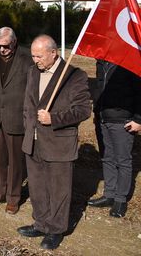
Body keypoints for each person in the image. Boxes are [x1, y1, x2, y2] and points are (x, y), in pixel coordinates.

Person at [17, 35, 91, 251]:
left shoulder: (74, 76)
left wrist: (54, 119)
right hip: (33, 141)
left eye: (39, 56)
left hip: (59, 143)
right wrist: (28, 126)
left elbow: (84, 110)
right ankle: (41, 223)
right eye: (32, 55)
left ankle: (56, 229)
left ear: (53, 53)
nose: (35, 60)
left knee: (59, 189)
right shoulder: (33, 72)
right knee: (38, 187)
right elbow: (28, 105)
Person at [0, 27, 31, 214]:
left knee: (16, 160)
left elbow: (32, 89)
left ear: (14, 42)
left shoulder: (27, 58)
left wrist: (29, 116)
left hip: (17, 117)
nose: (1, 50)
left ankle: (13, 198)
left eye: (5, 46)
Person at [87, 61, 141, 218]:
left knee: (123, 160)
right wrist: (97, 112)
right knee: (107, 157)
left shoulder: (131, 62)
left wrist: (138, 119)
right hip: (103, 117)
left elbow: (139, 92)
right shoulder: (101, 62)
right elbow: (98, 89)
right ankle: (109, 194)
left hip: (122, 120)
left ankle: (120, 199)